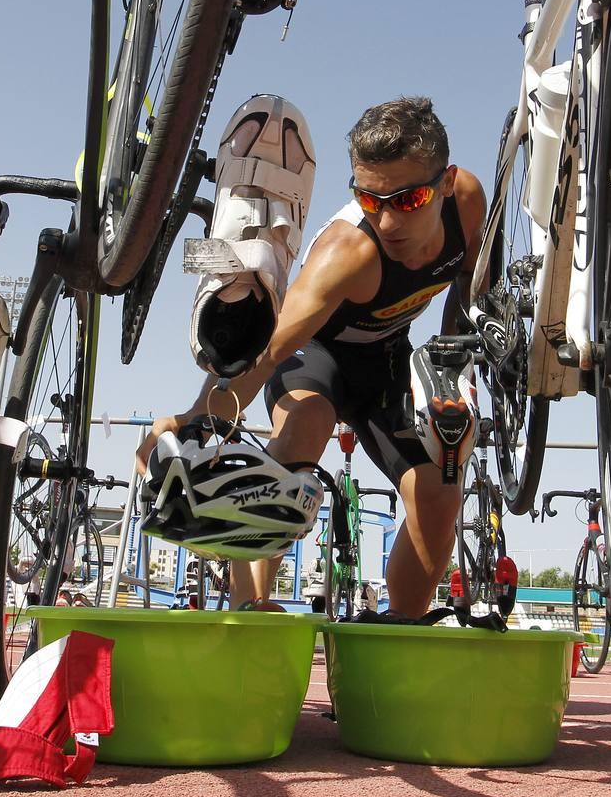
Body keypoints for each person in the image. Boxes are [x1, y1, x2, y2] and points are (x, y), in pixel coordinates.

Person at [138, 97, 487, 620]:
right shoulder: (347, 256)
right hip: (310, 356)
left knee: (438, 493)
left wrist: (449, 360)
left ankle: (395, 638)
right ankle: (250, 604)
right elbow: (268, 349)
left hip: (385, 362)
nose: (388, 220)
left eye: (407, 200)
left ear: (445, 182)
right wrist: (199, 420)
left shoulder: (467, 202)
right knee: (309, 421)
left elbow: (469, 279)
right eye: (371, 201)